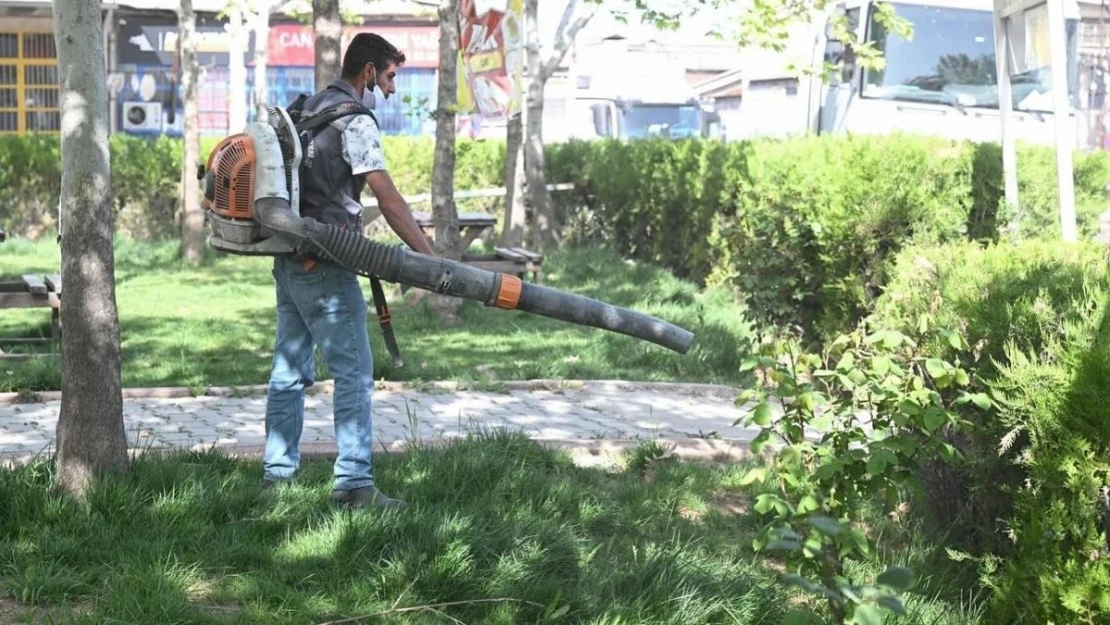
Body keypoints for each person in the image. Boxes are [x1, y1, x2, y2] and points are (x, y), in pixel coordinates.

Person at [261, 33, 435, 509]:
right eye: (391, 76)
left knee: (288, 373)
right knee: (355, 373)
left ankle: (277, 479)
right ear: (368, 72)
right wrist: (430, 257)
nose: (393, 88)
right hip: (330, 267)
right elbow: (388, 197)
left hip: (291, 260)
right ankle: (355, 485)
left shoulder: (310, 108)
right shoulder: (353, 120)